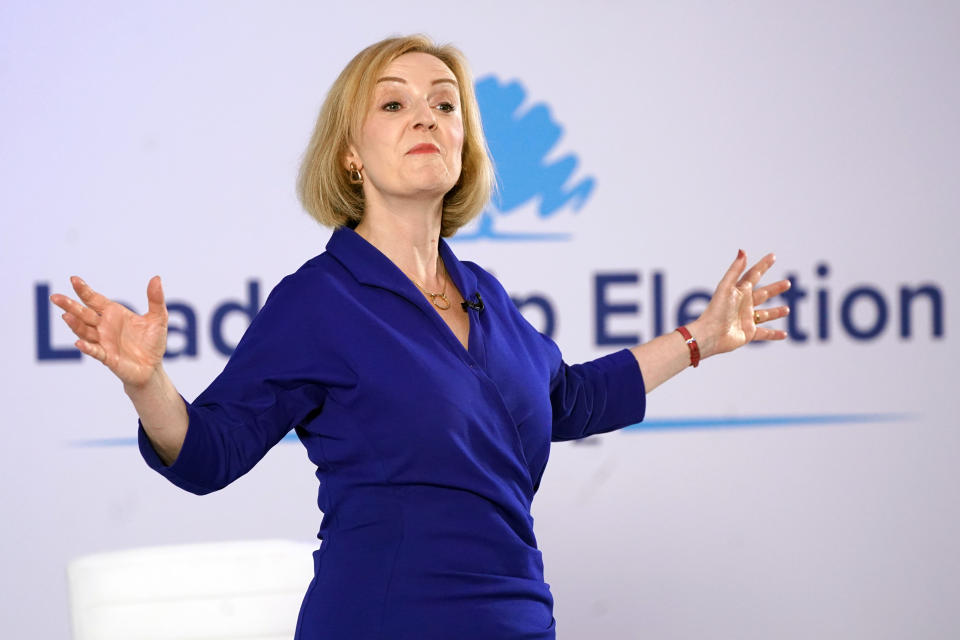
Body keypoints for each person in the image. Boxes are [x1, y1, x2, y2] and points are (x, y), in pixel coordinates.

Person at [50, 35, 790, 640]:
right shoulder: (320, 301)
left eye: (445, 104)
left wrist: (701, 336)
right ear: (350, 153)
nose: (427, 117)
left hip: (518, 621)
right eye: (396, 103)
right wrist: (146, 381)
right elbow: (208, 453)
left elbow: (570, 398)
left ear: (465, 144)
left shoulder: (487, 298)